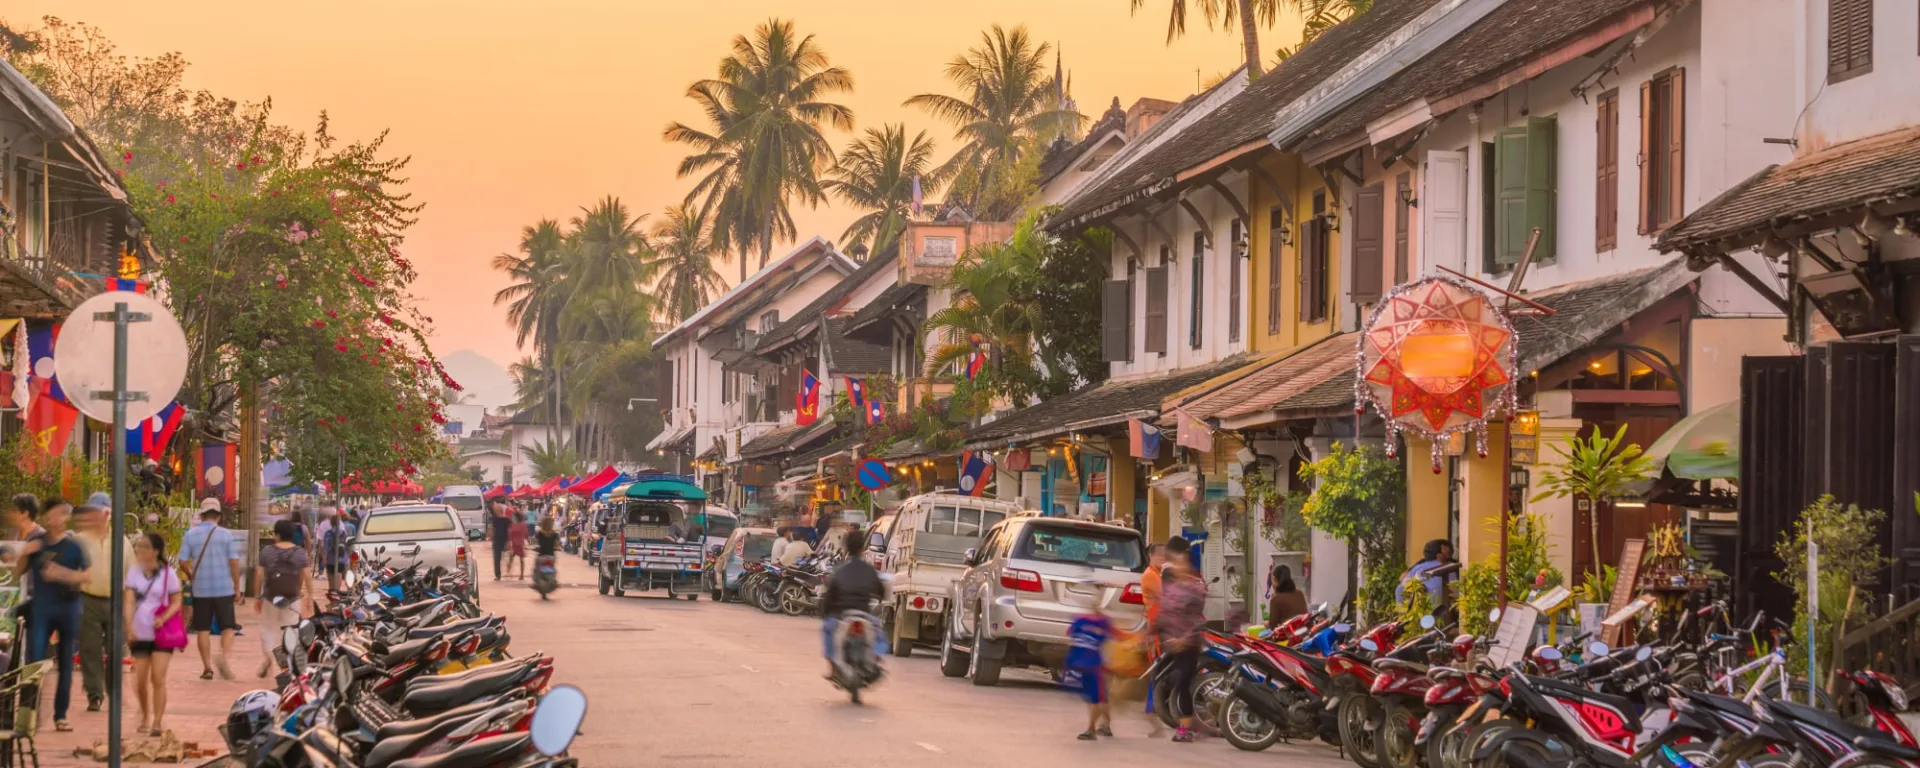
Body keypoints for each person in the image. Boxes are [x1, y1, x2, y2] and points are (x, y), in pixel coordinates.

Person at [22, 496, 89, 730]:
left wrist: (62, 574)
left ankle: (60, 715)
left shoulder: (73, 546)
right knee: (35, 660)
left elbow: (86, 576)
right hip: (41, 609)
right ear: (46, 516)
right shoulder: (37, 543)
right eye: (57, 513)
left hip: (68, 609)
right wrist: (24, 552)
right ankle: (28, 715)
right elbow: (18, 571)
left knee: (66, 664)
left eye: (65, 513)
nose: (61, 518)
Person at [72, 492, 132, 712]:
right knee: (90, 650)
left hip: (115, 600)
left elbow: (131, 575)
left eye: (103, 511)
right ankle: (94, 694)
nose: (99, 515)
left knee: (116, 648)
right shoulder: (79, 540)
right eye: (94, 511)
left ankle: (113, 691)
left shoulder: (122, 541)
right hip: (87, 600)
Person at [125, 532, 182, 737]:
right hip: (140, 632)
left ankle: (157, 721)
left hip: (162, 633)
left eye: (144, 547)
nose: (140, 551)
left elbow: (177, 600)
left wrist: (164, 617)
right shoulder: (133, 573)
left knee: (158, 677)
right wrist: (128, 626)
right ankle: (144, 713)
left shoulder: (168, 573)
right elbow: (129, 600)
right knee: (140, 680)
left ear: (155, 551)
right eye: (138, 547)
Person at [179, 499, 242, 681]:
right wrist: (237, 588)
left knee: (203, 629)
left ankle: (207, 667)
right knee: (228, 627)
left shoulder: (191, 534)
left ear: (202, 515)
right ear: (219, 516)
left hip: (201, 589)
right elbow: (234, 562)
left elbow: (182, 561)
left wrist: (191, 575)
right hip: (223, 588)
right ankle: (223, 658)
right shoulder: (226, 535)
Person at [1153, 536, 1207, 743]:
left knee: (1183, 680)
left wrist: (1183, 639)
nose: (1177, 566)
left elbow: (1197, 620)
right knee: (1176, 680)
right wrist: (1159, 634)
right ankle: (1189, 723)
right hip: (1173, 642)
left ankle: (1187, 728)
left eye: (1181, 562)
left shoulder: (1196, 588)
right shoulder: (1173, 588)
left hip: (1190, 643)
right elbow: (1165, 613)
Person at [819, 529, 887, 677]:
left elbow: (829, 597)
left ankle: (832, 667)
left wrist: (825, 614)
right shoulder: (870, 570)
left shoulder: (838, 571)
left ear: (846, 547)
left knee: (827, 630)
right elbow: (881, 592)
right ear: (862, 548)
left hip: (841, 616)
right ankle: (875, 659)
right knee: (880, 635)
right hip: (865, 614)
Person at [254, 520, 310, 677]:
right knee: (291, 630)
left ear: (277, 534)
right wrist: (306, 595)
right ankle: (288, 663)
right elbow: (305, 575)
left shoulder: (267, 551)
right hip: (292, 597)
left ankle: (268, 658)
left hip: (271, 597)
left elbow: (259, 574)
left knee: (268, 629)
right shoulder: (299, 552)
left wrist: (258, 595)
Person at [1066, 594, 1115, 740]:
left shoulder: (1102, 623)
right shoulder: (1081, 621)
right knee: (1098, 698)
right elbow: (1070, 635)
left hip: (1095, 665)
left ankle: (1091, 729)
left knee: (1096, 698)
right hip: (1084, 664)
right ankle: (1105, 724)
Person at [1396, 539, 1457, 606]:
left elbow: (1400, 589)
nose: (1449, 556)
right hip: (1439, 612)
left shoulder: (1418, 568)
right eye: (1447, 553)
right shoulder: (1448, 569)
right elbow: (1457, 595)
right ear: (1439, 555)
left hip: (1417, 612)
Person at [314, 508, 353, 594]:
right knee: (339, 573)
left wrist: (324, 558)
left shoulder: (328, 533)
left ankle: (331, 590)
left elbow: (326, 547)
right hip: (341, 557)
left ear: (331, 522)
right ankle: (337, 590)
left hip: (330, 558)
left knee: (331, 574)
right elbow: (347, 545)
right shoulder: (343, 532)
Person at [1265, 564, 1308, 630]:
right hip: (1303, 631)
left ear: (1274, 579)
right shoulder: (1299, 593)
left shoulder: (1276, 599)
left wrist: (1266, 624)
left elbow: (1272, 626)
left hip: (1288, 635)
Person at [533, 517, 560, 600]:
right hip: (551, 557)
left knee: (536, 570)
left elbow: (537, 544)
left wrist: (536, 548)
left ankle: (536, 583)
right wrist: (557, 548)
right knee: (553, 570)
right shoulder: (555, 534)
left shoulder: (539, 533)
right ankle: (552, 581)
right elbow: (557, 545)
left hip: (541, 556)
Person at [489, 500, 512, 580]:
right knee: (497, 558)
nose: (496, 510)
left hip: (503, 541)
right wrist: (492, 538)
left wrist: (509, 541)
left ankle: (507, 571)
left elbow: (509, 530)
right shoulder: (495, 519)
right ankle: (498, 575)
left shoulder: (506, 520)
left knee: (502, 558)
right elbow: (493, 530)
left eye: (497, 509)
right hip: (498, 541)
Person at [507, 513, 529, 579]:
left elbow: (510, 535)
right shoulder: (524, 525)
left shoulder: (512, 526)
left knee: (511, 559)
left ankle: (509, 572)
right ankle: (521, 575)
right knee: (521, 560)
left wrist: (509, 544)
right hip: (520, 544)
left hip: (515, 544)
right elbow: (526, 534)